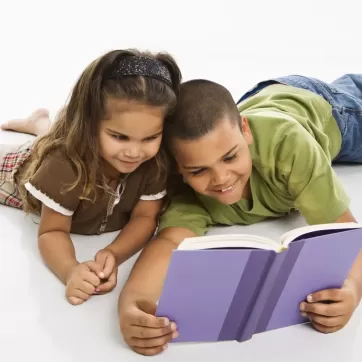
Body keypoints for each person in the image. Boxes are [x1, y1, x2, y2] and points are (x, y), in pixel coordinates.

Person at [118, 74, 362, 356]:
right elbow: (169, 244)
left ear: (244, 131)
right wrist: (132, 305)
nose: (221, 178)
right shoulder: (187, 192)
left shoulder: (288, 145)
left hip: (325, 108)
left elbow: (345, 234)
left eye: (231, 157)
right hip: (258, 102)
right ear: (178, 169)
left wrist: (354, 289)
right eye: (198, 171)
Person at [0, 49, 181, 306]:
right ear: (89, 123)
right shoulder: (62, 167)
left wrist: (114, 253)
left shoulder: (155, 161)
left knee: (54, 139)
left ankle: (39, 124)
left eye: (150, 137)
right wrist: (71, 270)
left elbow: (145, 217)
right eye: (120, 137)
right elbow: (51, 231)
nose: (134, 151)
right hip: (21, 169)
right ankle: (39, 127)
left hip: (75, 148)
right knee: (35, 151)